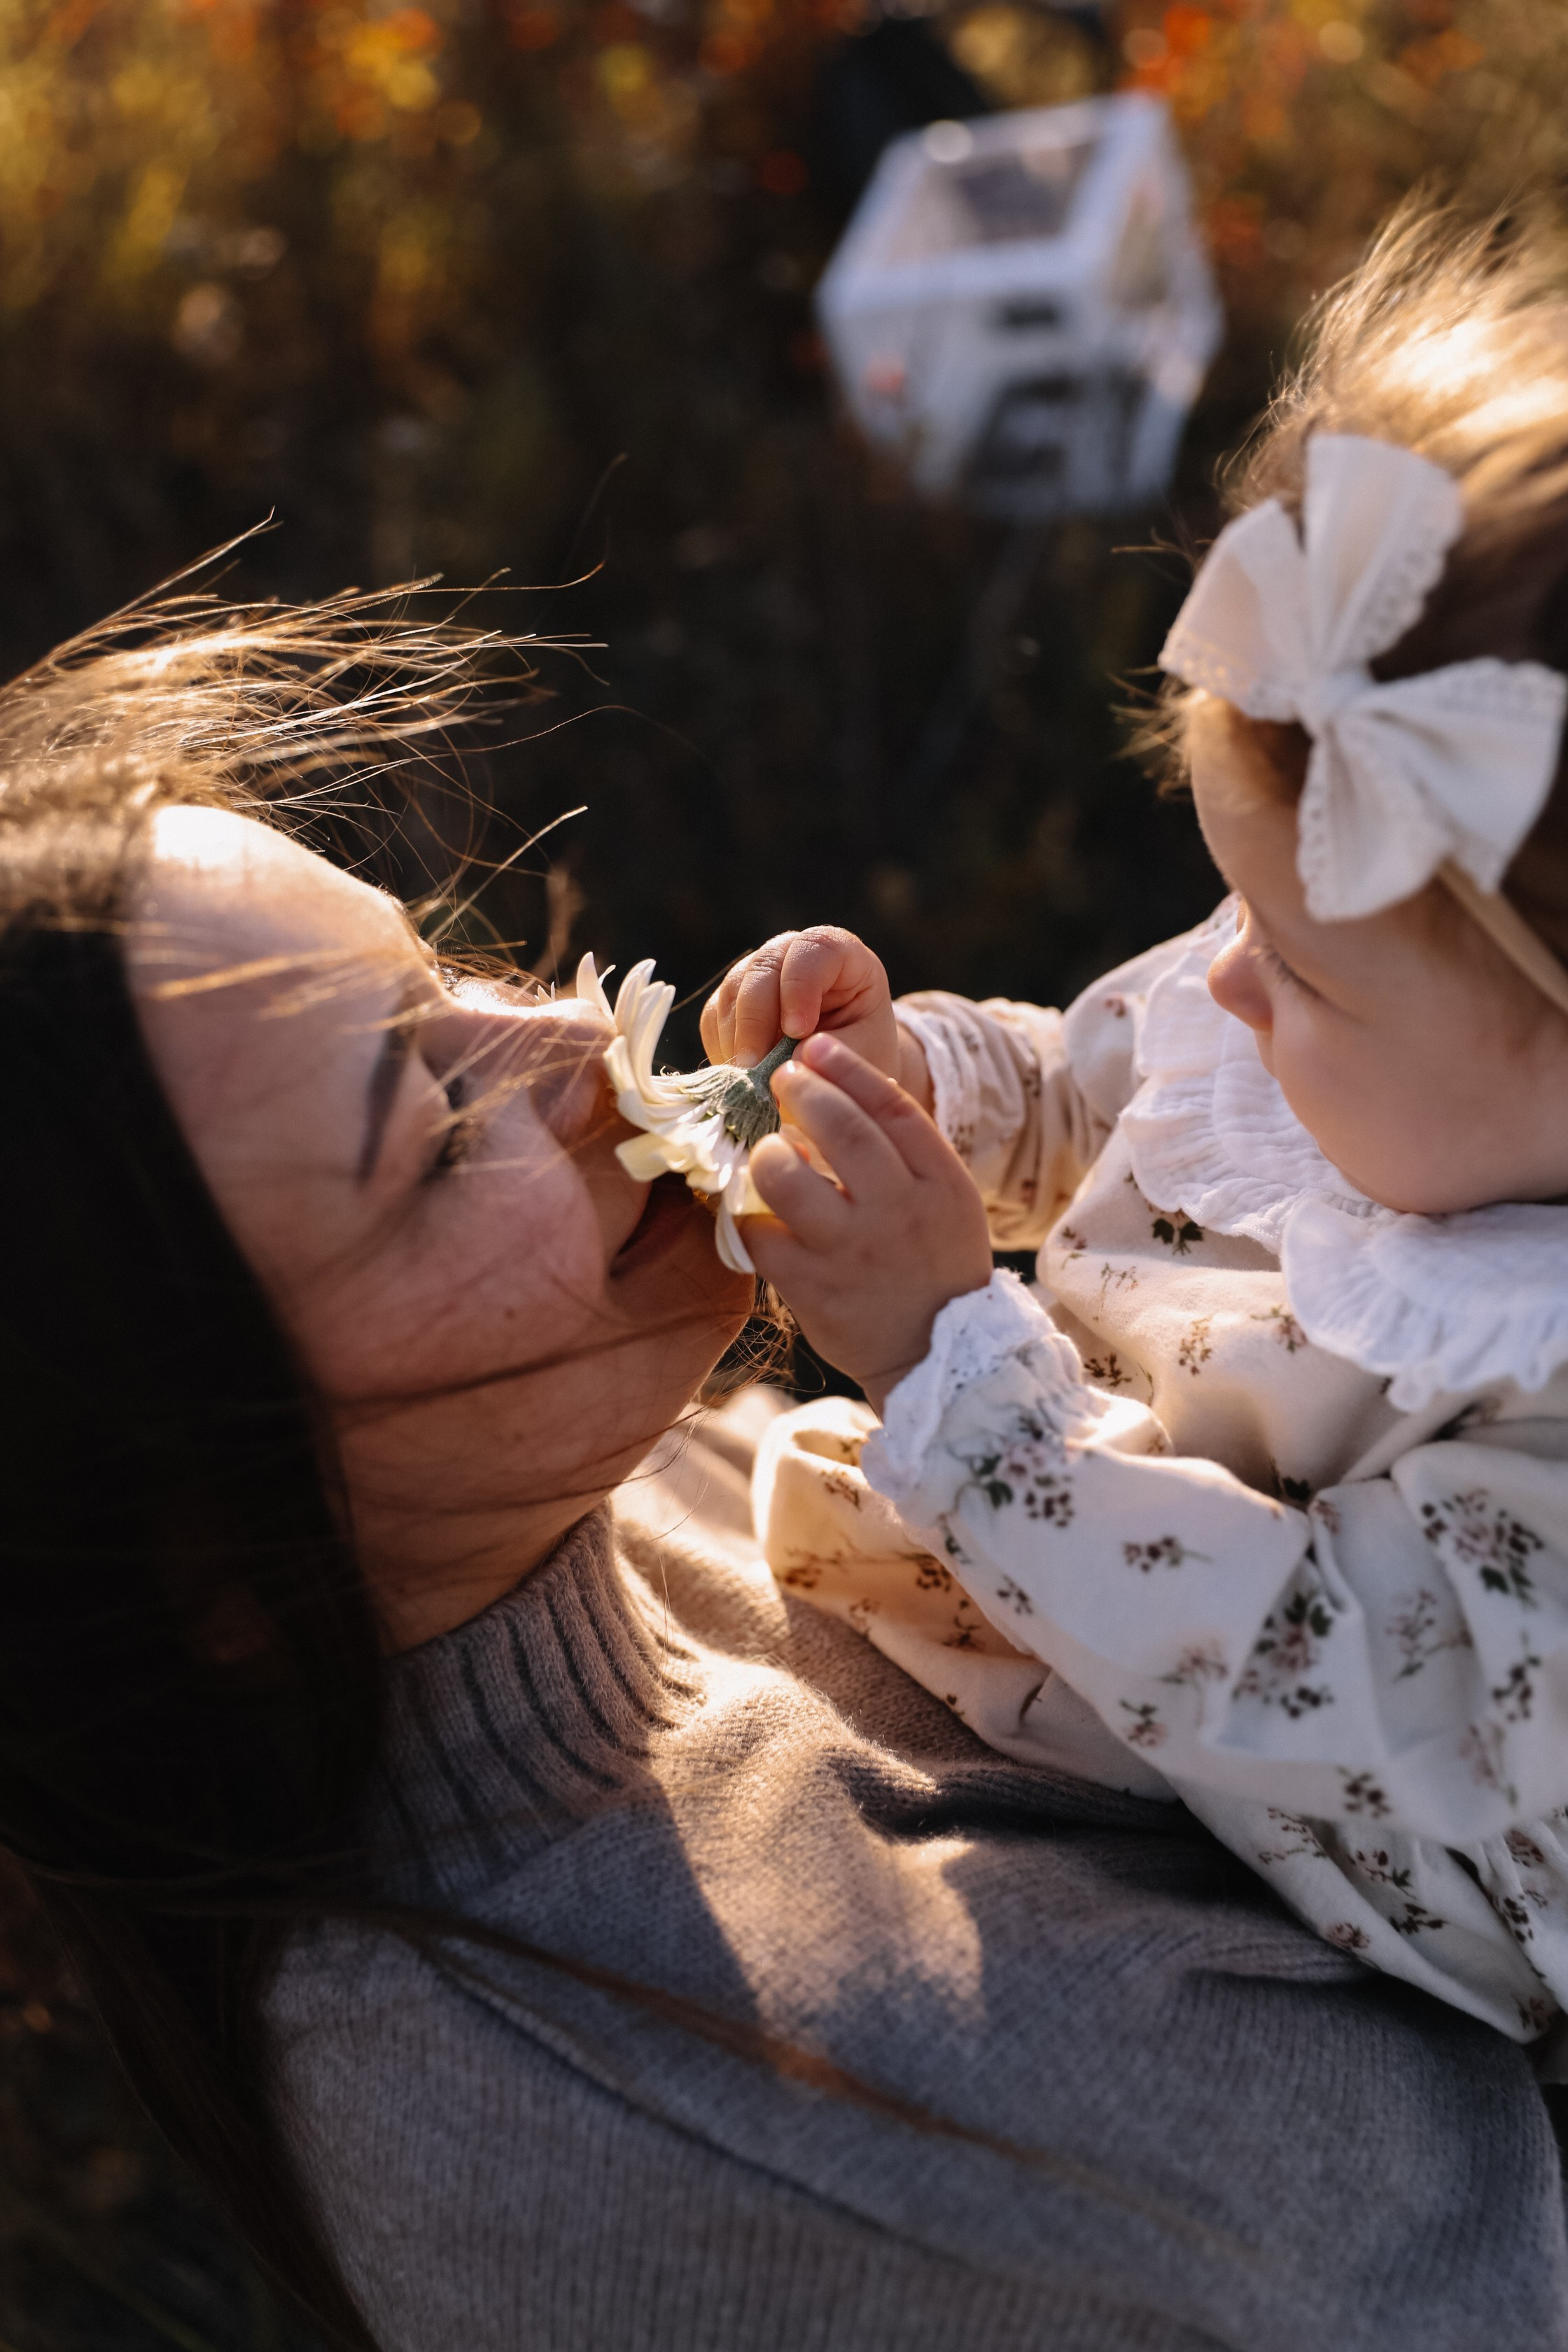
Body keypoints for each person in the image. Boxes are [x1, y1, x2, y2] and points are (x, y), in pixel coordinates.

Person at [4, 582, 1562, 2352]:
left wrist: (930, 1103)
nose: (581, 1046)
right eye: (435, 1129)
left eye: (438, 966)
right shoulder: (822, 2166)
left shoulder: (562, 1502)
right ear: (206, 1553)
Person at [715, 206, 1568, 2065]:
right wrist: (935, 1080)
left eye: (1308, 977)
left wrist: (965, 1372)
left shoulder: (1541, 1409)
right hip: (1029, 1637)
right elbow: (1114, 1079)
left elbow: (1315, 1683)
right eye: (1233, 911)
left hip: (1278, 1908)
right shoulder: (1328, 995)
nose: (1229, 991)